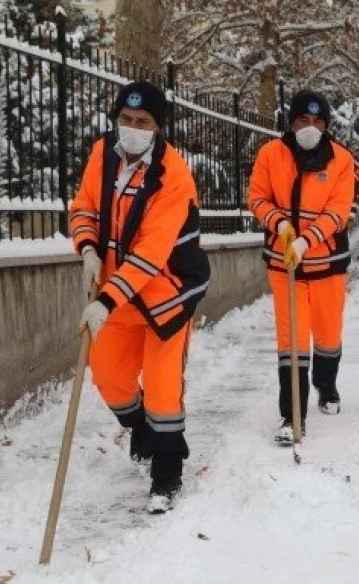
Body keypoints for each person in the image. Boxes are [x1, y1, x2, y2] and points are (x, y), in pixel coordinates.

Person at [71, 81, 210, 514]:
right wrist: (88, 248)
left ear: (158, 127)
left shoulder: (174, 178)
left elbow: (151, 253)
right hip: (117, 290)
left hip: (165, 293)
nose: (132, 128)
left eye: (143, 122)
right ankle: (142, 430)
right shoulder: (102, 154)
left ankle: (167, 474)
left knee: (164, 389)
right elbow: (85, 207)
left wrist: (105, 302)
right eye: (126, 120)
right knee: (109, 376)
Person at [247, 90, 356, 444]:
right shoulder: (271, 154)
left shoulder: (341, 159)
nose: (310, 128)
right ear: (291, 123)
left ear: (326, 125)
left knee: (327, 334)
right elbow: (257, 197)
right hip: (284, 265)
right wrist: (279, 225)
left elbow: (338, 211)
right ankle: (292, 416)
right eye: (303, 121)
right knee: (291, 339)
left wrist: (307, 240)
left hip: (327, 263)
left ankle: (326, 385)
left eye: (317, 122)